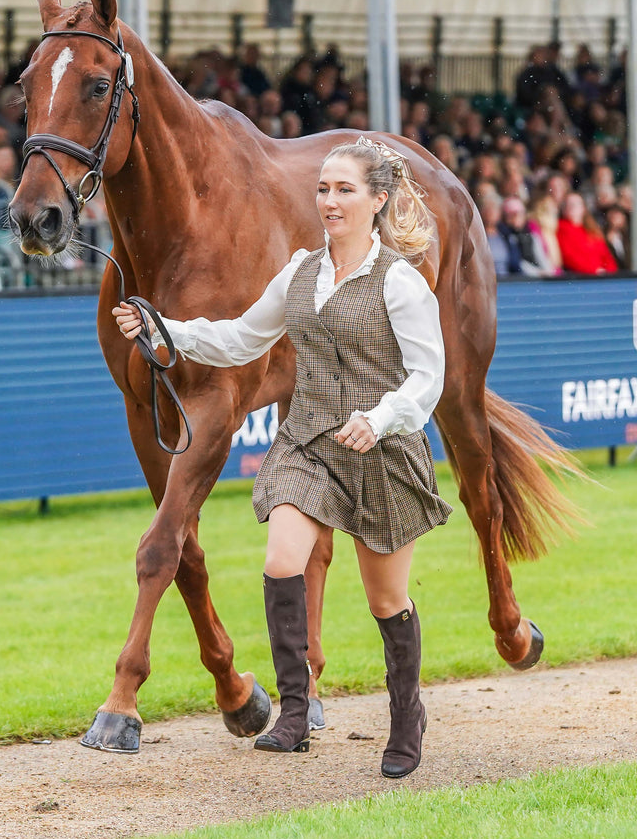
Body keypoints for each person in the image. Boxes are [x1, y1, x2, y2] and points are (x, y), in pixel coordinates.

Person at [113, 137, 452, 778]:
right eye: (322, 189)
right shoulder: (299, 272)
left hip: (381, 450)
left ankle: (406, 713)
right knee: (281, 558)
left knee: (387, 601)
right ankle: (294, 712)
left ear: (378, 200)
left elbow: (427, 380)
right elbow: (242, 337)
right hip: (308, 444)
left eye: (344, 190)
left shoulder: (403, 284)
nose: (328, 200)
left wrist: (378, 419)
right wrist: (166, 329)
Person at [556, 192, 618, 276]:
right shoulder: (561, 228)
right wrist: (594, 271)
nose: (572, 207)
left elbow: (606, 255)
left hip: (601, 277)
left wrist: (610, 273)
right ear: (563, 209)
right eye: (568, 204)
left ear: (583, 208)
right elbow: (569, 257)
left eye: (576, 204)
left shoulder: (591, 229)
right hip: (582, 278)